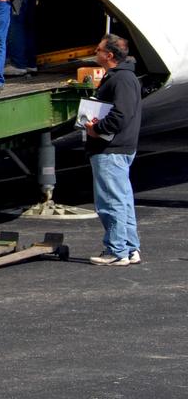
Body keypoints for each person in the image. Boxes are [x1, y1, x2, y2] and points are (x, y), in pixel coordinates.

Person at [85, 34, 143, 266]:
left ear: (109, 55)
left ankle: (116, 250)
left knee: (111, 201)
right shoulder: (123, 77)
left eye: (98, 50)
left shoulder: (121, 80)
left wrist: (97, 129)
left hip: (111, 148)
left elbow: (120, 114)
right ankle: (130, 249)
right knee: (123, 200)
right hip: (118, 147)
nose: (95, 52)